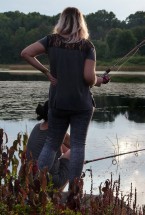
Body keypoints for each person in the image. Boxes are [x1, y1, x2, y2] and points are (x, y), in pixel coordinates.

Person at [21, 7, 110, 191]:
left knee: (52, 144)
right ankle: (74, 193)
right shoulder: (87, 46)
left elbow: (26, 53)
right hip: (81, 104)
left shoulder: (51, 41)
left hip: (57, 103)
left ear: (62, 21)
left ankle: (38, 186)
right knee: (77, 146)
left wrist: (46, 71)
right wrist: (98, 80)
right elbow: (88, 78)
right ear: (80, 23)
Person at [26, 100, 70, 190]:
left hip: (33, 178)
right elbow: (77, 146)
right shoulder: (58, 131)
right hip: (50, 181)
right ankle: (64, 191)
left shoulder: (37, 127)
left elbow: (63, 149)